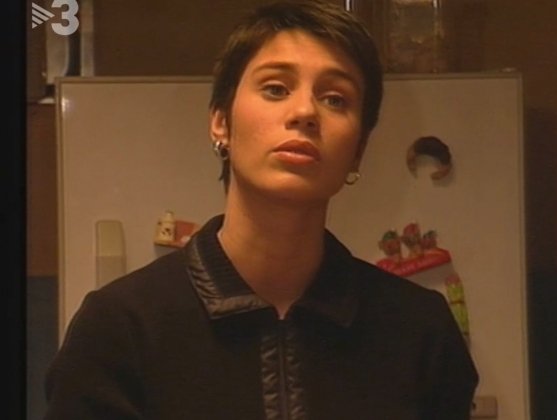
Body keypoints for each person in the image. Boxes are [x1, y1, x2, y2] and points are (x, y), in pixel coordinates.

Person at [43, 1, 478, 419]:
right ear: (221, 122)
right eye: (275, 89)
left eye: (335, 99)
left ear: (358, 150)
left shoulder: (420, 332)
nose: (305, 111)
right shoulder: (121, 328)